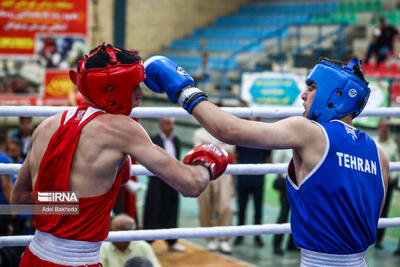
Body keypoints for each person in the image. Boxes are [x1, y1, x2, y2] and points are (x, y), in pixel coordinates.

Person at [143, 55, 389, 266]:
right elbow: (369, 219)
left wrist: (183, 88)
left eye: (312, 87)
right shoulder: (379, 155)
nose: (303, 95)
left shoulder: (310, 132)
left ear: (336, 93)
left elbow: (228, 130)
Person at [11, 44, 229, 267]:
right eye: (135, 86)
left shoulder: (45, 126)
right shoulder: (122, 129)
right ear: (114, 88)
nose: (141, 94)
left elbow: (17, 202)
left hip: (32, 258)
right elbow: (191, 184)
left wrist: (71, 203)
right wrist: (207, 163)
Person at [143, 117, 186, 252]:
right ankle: (147, 243)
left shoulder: (176, 141)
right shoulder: (152, 141)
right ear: (161, 125)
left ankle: (172, 242)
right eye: (168, 124)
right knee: (153, 211)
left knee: (172, 211)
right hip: (157, 182)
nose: (171, 126)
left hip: (173, 182)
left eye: (172, 124)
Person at [193, 127, 235, 254]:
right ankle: (208, 238)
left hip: (223, 172)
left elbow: (231, 149)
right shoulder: (198, 133)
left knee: (226, 206)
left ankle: (224, 239)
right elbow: (199, 151)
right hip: (204, 171)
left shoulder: (225, 131)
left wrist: (210, 148)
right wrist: (219, 149)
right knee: (205, 205)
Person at [233, 117, 271, 248]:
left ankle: (257, 236)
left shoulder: (265, 138)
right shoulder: (241, 138)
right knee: (241, 208)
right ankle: (239, 235)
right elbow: (236, 156)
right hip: (243, 178)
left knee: (258, 210)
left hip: (257, 180)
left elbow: (268, 159)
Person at [373, 119, 399, 249]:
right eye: (382, 127)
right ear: (378, 128)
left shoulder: (393, 146)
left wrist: (393, 178)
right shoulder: (371, 142)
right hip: (371, 182)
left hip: (386, 184)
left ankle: (379, 240)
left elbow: (397, 162)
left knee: (384, 211)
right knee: (366, 207)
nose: (384, 129)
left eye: (386, 127)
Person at [272, 149, 297, 255]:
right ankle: (276, 244)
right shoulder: (286, 144)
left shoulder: (302, 141)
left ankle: (292, 244)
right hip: (286, 182)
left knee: (297, 214)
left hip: (300, 182)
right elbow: (276, 161)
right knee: (284, 213)